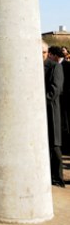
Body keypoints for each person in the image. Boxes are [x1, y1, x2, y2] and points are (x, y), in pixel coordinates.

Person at [43, 43, 65, 187]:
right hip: (40, 113)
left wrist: (40, 102)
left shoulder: (55, 66)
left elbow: (55, 89)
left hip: (50, 110)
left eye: (44, 52)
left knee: (54, 145)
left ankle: (58, 178)